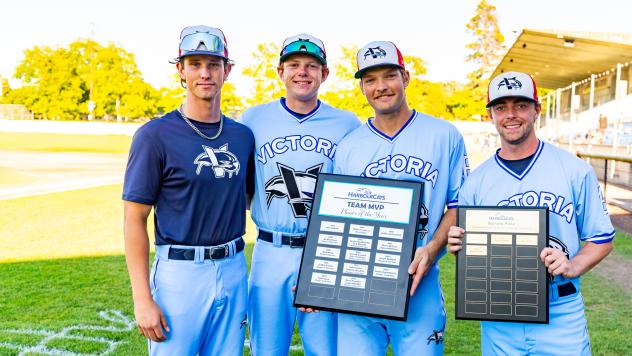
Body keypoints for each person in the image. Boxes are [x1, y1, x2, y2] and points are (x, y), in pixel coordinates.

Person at [447, 71, 615, 355]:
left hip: (560, 308)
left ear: (536, 110)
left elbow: (602, 238)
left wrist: (573, 266)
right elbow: (472, 253)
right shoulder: (475, 182)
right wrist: (460, 247)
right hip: (499, 313)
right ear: (491, 115)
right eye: (501, 107)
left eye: (520, 105)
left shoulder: (574, 170)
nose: (510, 115)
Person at [122, 25, 254, 355]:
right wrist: (142, 298)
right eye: (195, 64)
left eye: (213, 64)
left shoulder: (242, 136)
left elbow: (251, 199)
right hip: (180, 274)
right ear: (180, 69)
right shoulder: (154, 136)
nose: (205, 73)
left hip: (233, 266)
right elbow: (134, 218)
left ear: (228, 70)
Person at [333, 40, 469, 355]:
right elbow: (337, 218)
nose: (381, 86)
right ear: (363, 88)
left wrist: (432, 249)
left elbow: (460, 206)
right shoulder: (349, 146)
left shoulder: (443, 135)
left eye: (389, 76)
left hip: (418, 279)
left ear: (405, 78)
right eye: (370, 80)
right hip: (359, 283)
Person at [239, 33, 360, 355]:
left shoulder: (347, 123)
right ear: (280, 72)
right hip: (270, 247)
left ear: (325, 74)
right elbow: (242, 184)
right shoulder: (253, 118)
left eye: (311, 66)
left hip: (324, 250)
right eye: (294, 65)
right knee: (266, 348)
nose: (302, 72)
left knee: (325, 349)